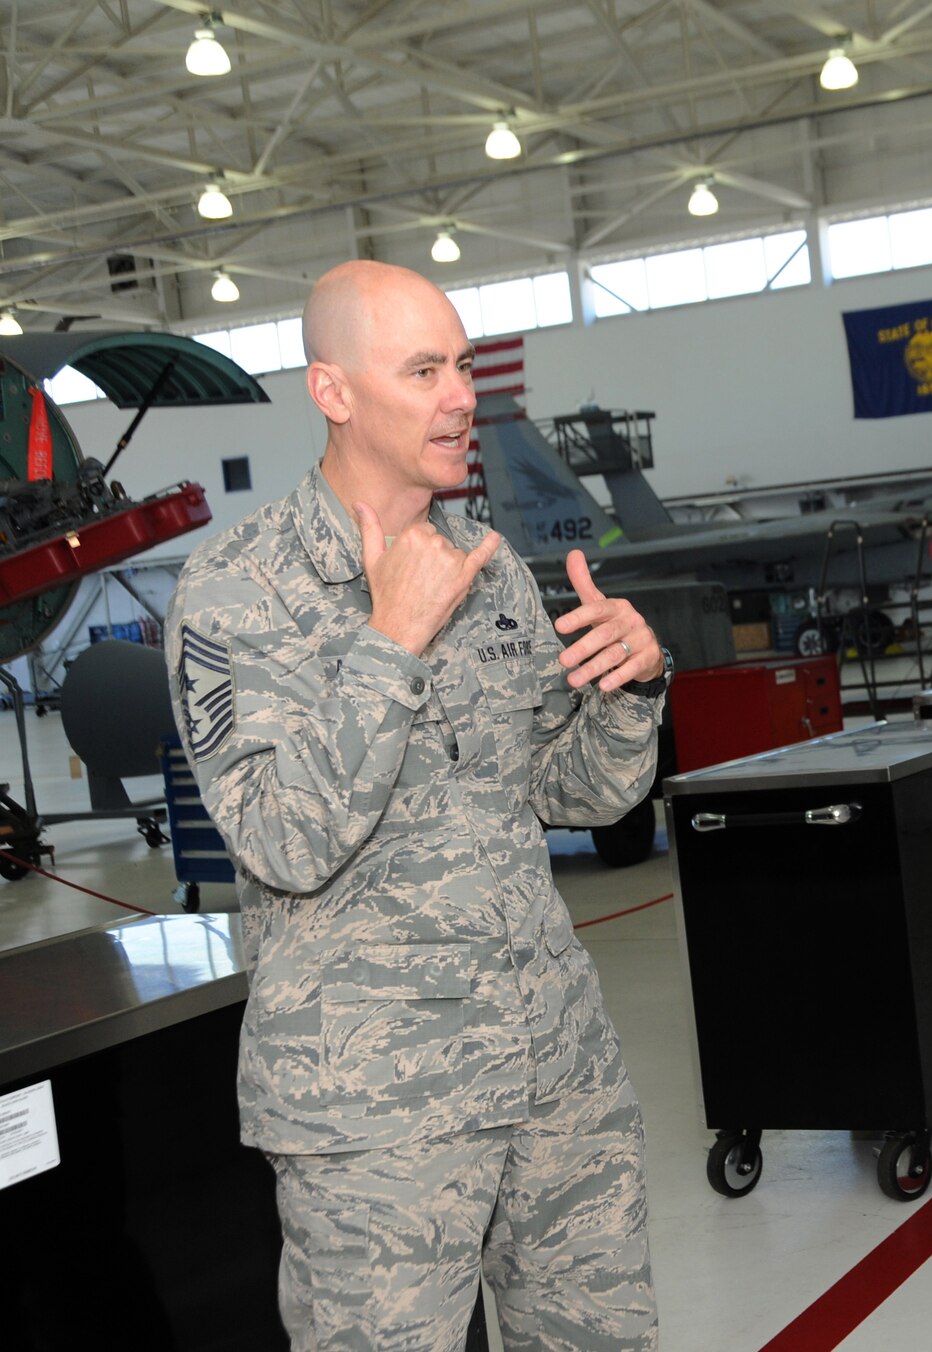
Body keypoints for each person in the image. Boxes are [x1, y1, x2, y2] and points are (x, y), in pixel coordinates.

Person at [165, 260, 670, 1351]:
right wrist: (386, 642)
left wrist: (629, 691)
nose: (460, 396)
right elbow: (278, 839)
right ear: (333, 391)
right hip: (373, 1110)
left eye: (464, 365)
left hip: (553, 1072)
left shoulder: (484, 567)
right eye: (424, 369)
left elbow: (567, 790)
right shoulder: (234, 590)